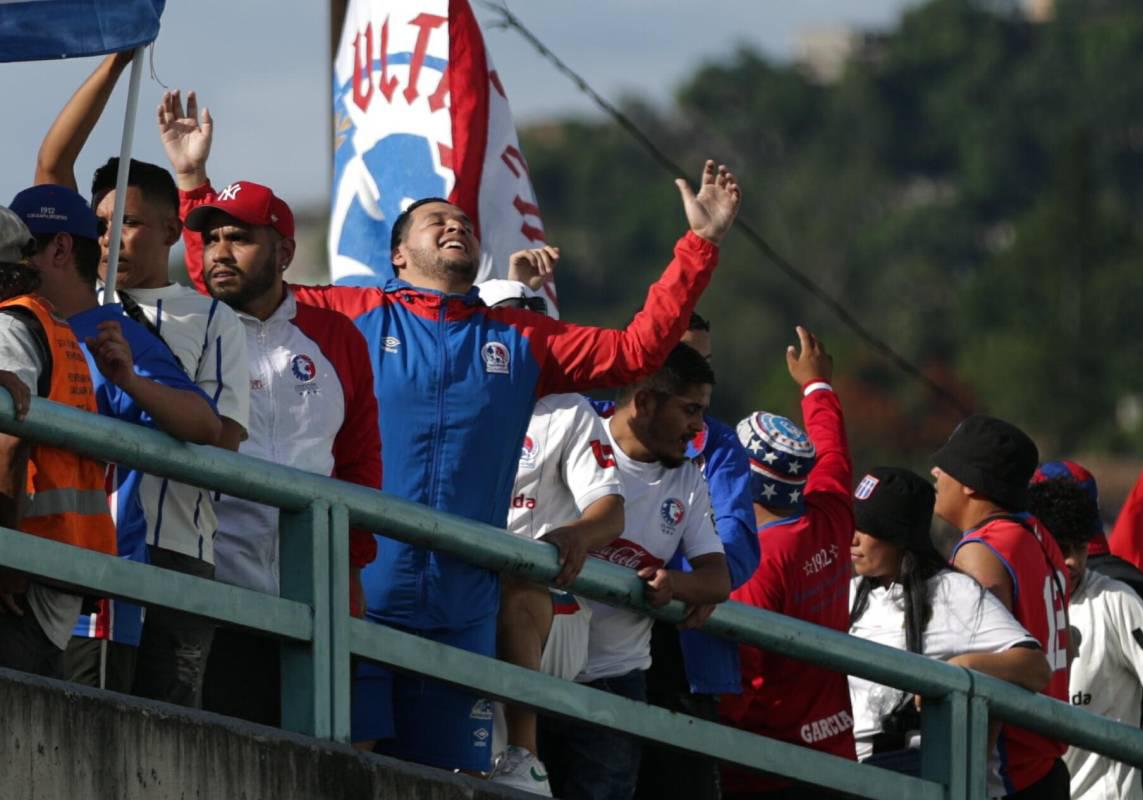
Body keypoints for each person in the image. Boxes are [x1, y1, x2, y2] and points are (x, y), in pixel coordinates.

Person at [163, 88, 741, 773]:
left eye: (463, 220)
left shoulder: (522, 338)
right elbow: (231, 285)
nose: (454, 225)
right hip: (359, 599)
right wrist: (193, 184)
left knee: (447, 784)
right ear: (398, 255)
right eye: (434, 220)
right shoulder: (356, 313)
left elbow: (636, 353)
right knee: (347, 769)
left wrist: (698, 246)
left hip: (464, 611)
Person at [34, 55, 251, 703]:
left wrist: (133, 379)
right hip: (83, 539)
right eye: (98, 226)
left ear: (166, 227)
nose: (110, 238)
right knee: (80, 717)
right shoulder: (70, 300)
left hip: (180, 546)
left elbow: (225, 436)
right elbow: (51, 166)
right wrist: (115, 60)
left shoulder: (210, 318)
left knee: (172, 731)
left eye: (126, 222)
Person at [158, 162, 382, 722]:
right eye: (210, 239)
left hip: (316, 596)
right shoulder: (181, 328)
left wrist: (351, 571)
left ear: (283, 253)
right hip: (213, 588)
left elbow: (359, 461)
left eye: (239, 237)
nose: (220, 251)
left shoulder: (337, 337)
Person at [12, 184, 221, 693]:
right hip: (34, 574)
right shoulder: (24, 321)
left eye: (19, 248)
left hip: (87, 591)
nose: (7, 261)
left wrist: (130, 381)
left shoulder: (111, 333)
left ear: (60, 249)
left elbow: (205, 425)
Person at [540, 342, 731, 800]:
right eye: (689, 410)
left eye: (702, 413)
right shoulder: (573, 436)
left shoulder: (687, 480)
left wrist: (676, 584)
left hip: (617, 680)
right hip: (538, 664)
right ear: (644, 401)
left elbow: (717, 578)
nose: (697, 427)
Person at [477, 279, 625, 796]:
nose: (524, 335)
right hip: (463, 587)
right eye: (510, 321)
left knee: (515, 587)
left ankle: (526, 758)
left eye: (532, 323)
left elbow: (610, 511)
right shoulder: (455, 394)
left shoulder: (568, 407)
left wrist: (577, 534)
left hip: (547, 610)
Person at [847, 466, 1050, 794]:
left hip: (918, 776)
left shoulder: (952, 591)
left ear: (902, 536)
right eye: (852, 524)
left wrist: (954, 672)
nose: (852, 538)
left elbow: (1035, 668)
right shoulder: (850, 592)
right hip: (844, 771)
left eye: (868, 528)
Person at [720, 326, 856, 800]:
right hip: (838, 753)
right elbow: (831, 448)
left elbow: (741, 678)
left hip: (769, 769)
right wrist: (816, 385)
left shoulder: (753, 562)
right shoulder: (832, 511)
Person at [1033, 460, 1143, 800]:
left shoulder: (1116, 598)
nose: (1073, 561)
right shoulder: (1009, 602)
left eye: (1081, 547)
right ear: (1035, 541)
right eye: (1062, 548)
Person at [0, 205, 116, 678]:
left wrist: (7, 556)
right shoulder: (50, 323)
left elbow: (8, 442)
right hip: (56, 561)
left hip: (22, 573)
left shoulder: (9, 328)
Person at [933, 415, 1071, 798]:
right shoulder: (1039, 537)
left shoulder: (983, 551)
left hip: (1005, 773)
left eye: (946, 466)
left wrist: (967, 775)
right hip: (1045, 765)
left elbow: (993, 669)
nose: (934, 472)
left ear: (971, 485)